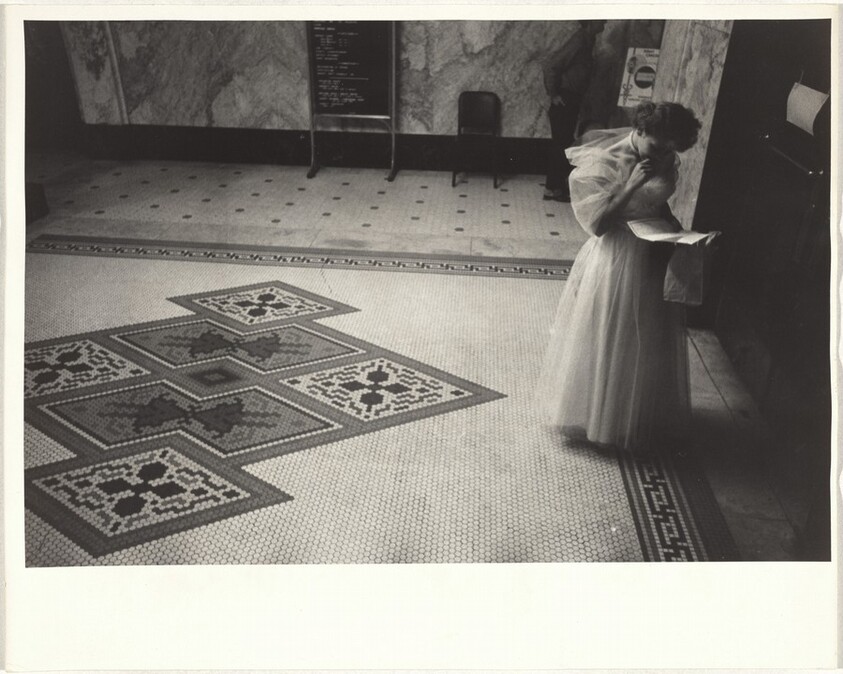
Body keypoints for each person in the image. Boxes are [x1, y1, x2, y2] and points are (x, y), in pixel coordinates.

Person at [537, 101, 703, 454]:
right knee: (609, 332)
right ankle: (600, 418)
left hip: (652, 250)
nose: (663, 156)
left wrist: (678, 230)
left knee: (643, 335)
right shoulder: (601, 162)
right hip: (615, 256)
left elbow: (657, 203)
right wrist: (631, 185)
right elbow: (598, 225)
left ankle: (634, 415)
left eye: (670, 150)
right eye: (657, 147)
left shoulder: (663, 154)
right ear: (639, 130)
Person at [542, 19, 606, 202]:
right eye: (601, 19)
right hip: (565, 100)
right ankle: (552, 189)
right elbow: (551, 66)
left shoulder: (588, 40)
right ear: (591, 22)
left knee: (564, 143)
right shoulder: (579, 40)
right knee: (561, 145)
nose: (605, 21)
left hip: (572, 99)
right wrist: (554, 94)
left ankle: (556, 187)